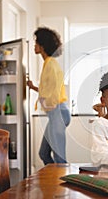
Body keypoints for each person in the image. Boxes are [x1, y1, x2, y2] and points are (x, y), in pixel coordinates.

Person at [27, 27, 71, 164]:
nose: (34, 46)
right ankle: (54, 181)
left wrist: (44, 103)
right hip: (56, 113)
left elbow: (53, 91)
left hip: (58, 112)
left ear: (42, 46)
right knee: (43, 153)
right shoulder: (48, 63)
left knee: (60, 158)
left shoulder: (51, 64)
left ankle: (59, 184)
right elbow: (48, 89)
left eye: (36, 43)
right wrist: (33, 86)